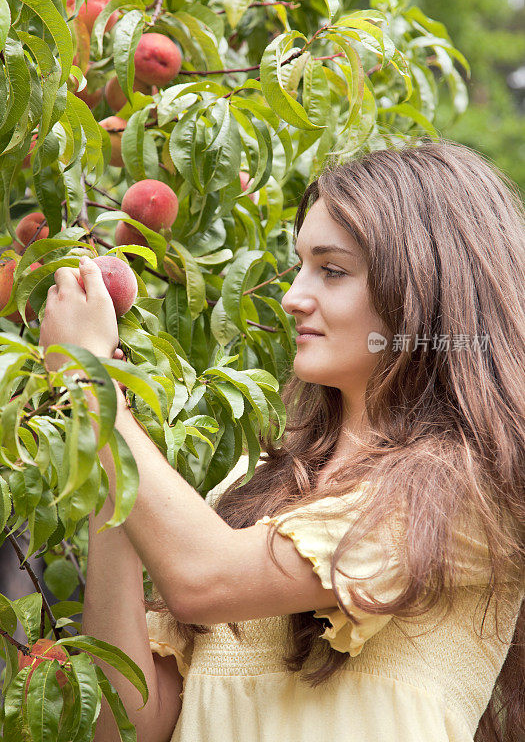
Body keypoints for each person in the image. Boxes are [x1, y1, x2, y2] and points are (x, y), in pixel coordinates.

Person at [39, 140, 524, 742]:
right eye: (298, 265)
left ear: (425, 290)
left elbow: (203, 579)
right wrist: (111, 459)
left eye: (333, 270)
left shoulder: (470, 487)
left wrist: (90, 381)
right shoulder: (251, 482)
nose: (293, 297)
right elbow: (126, 723)